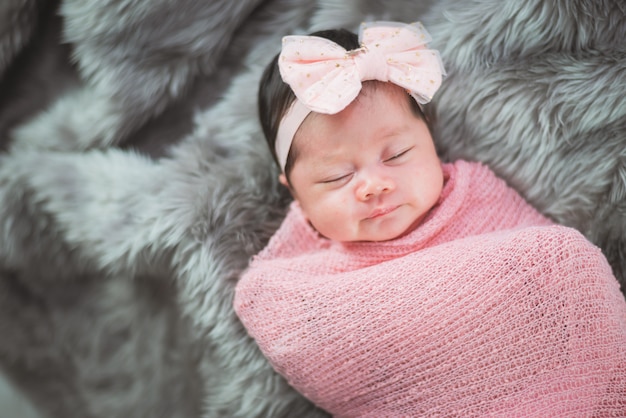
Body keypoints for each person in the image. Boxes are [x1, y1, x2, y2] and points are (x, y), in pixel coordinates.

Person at [235, 21, 626, 417]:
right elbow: (305, 343)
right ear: (294, 190)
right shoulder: (293, 285)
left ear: (430, 141)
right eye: (336, 177)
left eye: (397, 155)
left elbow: (554, 277)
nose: (373, 185)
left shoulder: (476, 197)